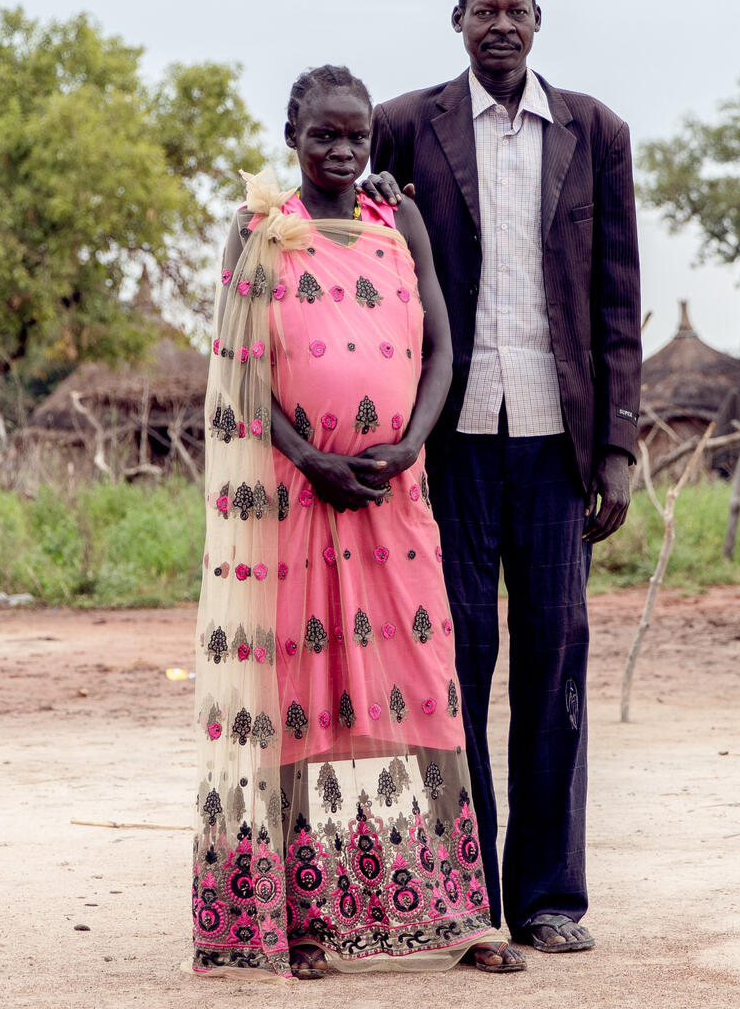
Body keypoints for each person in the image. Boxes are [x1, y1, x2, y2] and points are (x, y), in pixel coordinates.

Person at [191, 66, 522, 978]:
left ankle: (458, 916)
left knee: (426, 689)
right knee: (303, 707)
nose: (341, 152)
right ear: (291, 133)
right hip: (299, 506)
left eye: (356, 137)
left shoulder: (396, 219)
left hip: (393, 498)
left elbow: (445, 346)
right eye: (323, 136)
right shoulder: (260, 229)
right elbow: (237, 368)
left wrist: (411, 442)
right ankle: (303, 924)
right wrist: (311, 460)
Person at [366, 0, 642, 955]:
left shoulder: (594, 132)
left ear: (538, 20)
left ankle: (547, 895)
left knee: (553, 665)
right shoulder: (404, 126)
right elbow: (370, 274)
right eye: (481, 9)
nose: (499, 24)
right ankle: (461, 891)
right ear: (455, 21)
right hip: (445, 442)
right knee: (455, 663)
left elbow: (616, 302)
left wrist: (613, 449)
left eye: (514, 9)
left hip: (554, 444)